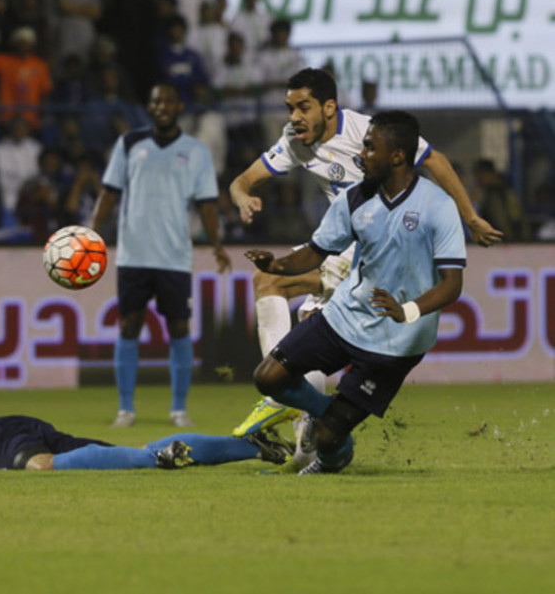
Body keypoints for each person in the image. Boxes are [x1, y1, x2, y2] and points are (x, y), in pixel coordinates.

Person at [229, 68, 501, 447]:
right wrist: (243, 198)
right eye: (289, 108)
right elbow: (240, 181)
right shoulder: (294, 140)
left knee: (297, 306)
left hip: (373, 243)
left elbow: (434, 159)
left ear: (328, 106)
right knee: (278, 290)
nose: (294, 117)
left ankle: (284, 400)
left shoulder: (368, 131)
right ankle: (302, 426)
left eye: (302, 107)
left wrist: (469, 216)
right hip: (343, 236)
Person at [244, 110, 466, 474]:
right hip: (345, 317)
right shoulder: (355, 198)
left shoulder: (438, 207)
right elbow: (316, 252)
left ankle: (333, 453)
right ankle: (321, 412)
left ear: (396, 155)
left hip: (397, 343)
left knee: (331, 440)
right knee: (267, 377)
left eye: (368, 147)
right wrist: (277, 265)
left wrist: (407, 310)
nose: (361, 155)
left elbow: (452, 286)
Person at [90, 83, 231, 429]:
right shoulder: (129, 144)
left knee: (179, 328)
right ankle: (125, 409)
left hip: (174, 255)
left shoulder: (196, 151)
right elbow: (110, 191)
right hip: (133, 253)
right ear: (149, 107)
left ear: (179, 105)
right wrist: (91, 231)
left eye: (168, 100)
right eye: (156, 101)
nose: (162, 106)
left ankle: (178, 409)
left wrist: (216, 244)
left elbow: (207, 203)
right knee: (128, 326)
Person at [0, 387, 293, 472]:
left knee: (39, 468)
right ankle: (250, 447)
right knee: (122, 458)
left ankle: (157, 457)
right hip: (6, 427)